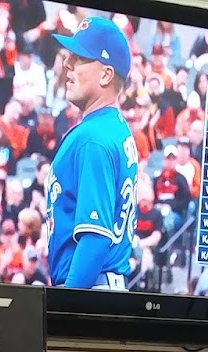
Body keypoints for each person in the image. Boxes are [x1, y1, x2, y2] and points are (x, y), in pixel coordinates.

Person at [46, 16, 138, 289]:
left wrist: (69, 301)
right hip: (104, 286)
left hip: (90, 288)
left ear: (106, 75)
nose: (68, 63)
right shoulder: (115, 128)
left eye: (81, 58)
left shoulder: (93, 137)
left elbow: (96, 237)